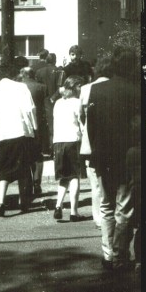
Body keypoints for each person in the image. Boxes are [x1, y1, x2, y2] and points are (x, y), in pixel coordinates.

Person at [86, 47, 142, 271]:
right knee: (124, 207)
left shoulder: (96, 90)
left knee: (106, 206)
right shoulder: (135, 91)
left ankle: (108, 254)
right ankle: (119, 254)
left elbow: (91, 126)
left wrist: (95, 152)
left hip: (102, 156)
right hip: (128, 155)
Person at [0, 64, 38, 217]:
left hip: (2, 136)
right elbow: (30, 109)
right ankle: (23, 201)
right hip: (21, 133)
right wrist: (35, 127)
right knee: (24, 169)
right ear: (14, 75)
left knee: (3, 170)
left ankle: (1, 202)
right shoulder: (22, 88)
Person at [79, 54, 112, 229]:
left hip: (91, 141)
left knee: (95, 183)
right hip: (112, 139)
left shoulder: (85, 89)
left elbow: (81, 116)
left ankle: (99, 218)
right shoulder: (117, 87)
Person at [52, 76, 85, 222]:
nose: (80, 89)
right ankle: (73, 211)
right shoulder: (78, 102)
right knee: (74, 176)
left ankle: (58, 205)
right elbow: (82, 123)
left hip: (58, 141)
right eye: (79, 86)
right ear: (72, 88)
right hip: (73, 140)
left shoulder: (58, 103)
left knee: (63, 177)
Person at [17, 63, 48, 198]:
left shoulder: (17, 88)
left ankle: (27, 185)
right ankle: (37, 183)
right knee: (38, 155)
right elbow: (46, 108)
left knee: (24, 155)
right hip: (39, 126)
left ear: (22, 75)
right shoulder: (42, 87)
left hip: (22, 125)